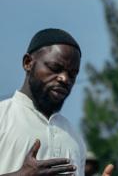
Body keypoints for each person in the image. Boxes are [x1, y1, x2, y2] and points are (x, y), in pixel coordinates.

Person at [0, 28, 86, 175]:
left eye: (72, 74)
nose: (64, 79)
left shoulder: (75, 139)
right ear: (28, 63)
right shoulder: (3, 117)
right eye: (55, 68)